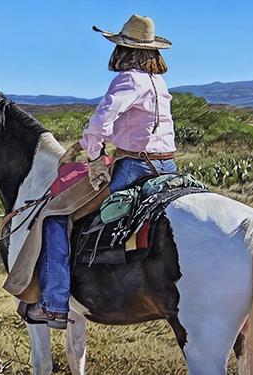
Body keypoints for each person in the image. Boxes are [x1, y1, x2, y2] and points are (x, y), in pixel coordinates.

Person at [26, 14, 177, 329]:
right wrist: (87, 145)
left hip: (134, 168)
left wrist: (92, 154)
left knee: (55, 215)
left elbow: (101, 122)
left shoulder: (128, 79)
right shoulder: (158, 81)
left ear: (124, 49)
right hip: (167, 167)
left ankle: (53, 304)